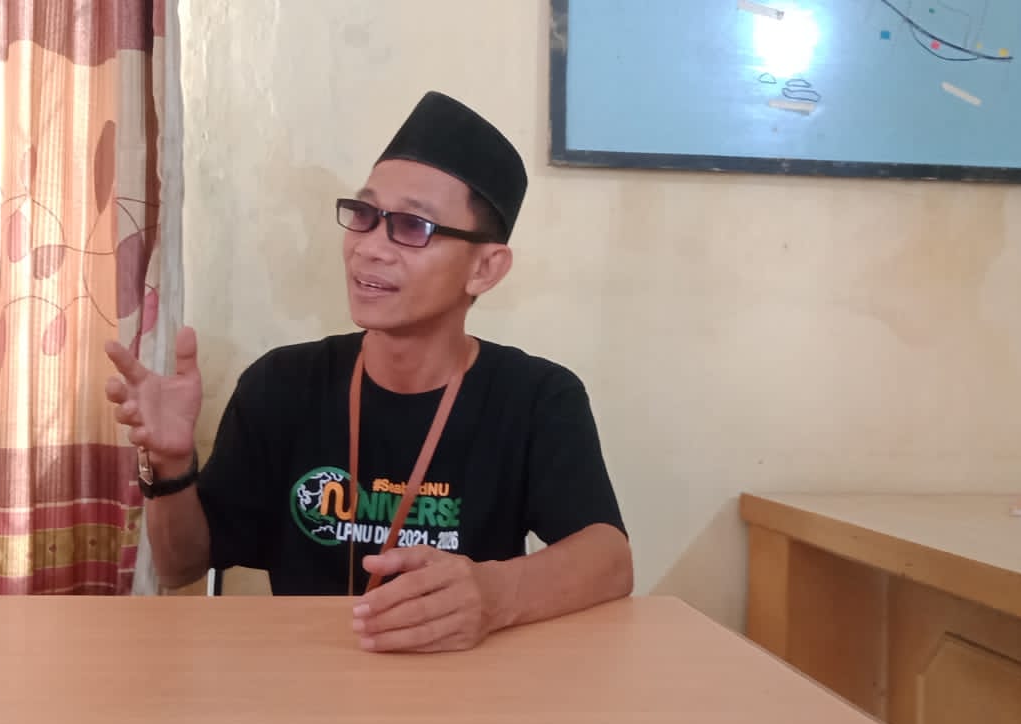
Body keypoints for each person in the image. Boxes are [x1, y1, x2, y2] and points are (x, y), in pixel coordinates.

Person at [104, 91, 632, 653]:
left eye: (411, 225)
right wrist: (169, 466)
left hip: (464, 678)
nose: (370, 248)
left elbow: (609, 558)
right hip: (309, 672)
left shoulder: (536, 397)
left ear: (484, 268)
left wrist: (493, 595)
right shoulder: (282, 384)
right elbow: (181, 565)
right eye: (364, 216)